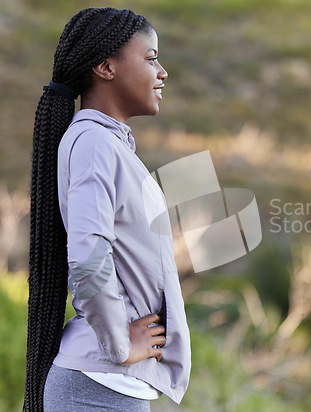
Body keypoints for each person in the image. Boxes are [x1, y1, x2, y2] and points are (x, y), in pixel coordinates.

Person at [24, 8, 191, 412]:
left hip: (110, 385)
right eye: (150, 58)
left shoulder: (108, 145)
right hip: (97, 386)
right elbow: (87, 251)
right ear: (105, 66)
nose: (162, 71)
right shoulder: (95, 143)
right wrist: (118, 343)